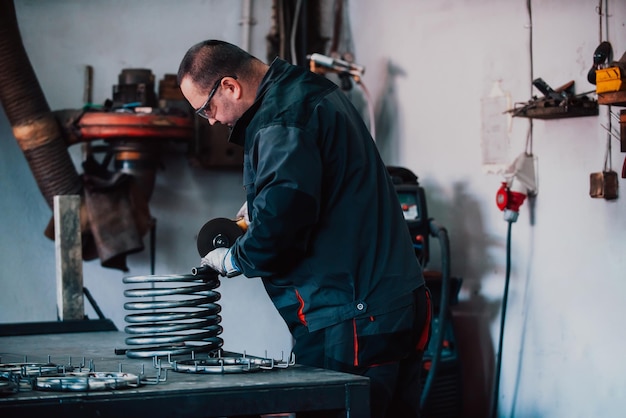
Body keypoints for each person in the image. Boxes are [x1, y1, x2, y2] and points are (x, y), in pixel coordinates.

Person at [177, 39, 431, 418]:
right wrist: (262, 203)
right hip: (391, 302)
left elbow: (280, 230)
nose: (211, 120)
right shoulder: (306, 92)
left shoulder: (280, 119)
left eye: (206, 108)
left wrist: (234, 259)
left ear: (230, 86)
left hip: (352, 316)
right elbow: (309, 191)